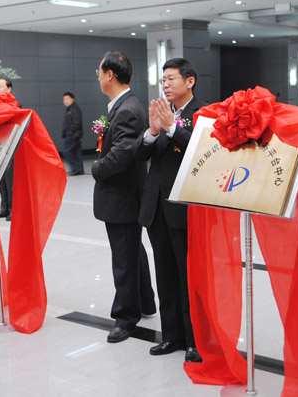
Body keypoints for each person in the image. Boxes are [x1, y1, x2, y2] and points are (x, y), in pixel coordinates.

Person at [134, 58, 206, 362]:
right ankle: (171, 336)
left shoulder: (202, 113)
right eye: (163, 80)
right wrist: (152, 132)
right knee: (164, 274)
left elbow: (200, 151)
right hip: (156, 207)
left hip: (183, 208)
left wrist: (172, 128)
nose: (165, 85)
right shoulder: (163, 113)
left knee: (187, 276)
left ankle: (194, 340)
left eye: (171, 79)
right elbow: (140, 155)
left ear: (190, 81)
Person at [92, 51, 156, 343]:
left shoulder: (127, 108)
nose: (98, 76)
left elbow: (121, 154)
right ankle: (145, 301)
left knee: (124, 258)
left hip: (122, 196)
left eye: (99, 71)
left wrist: (97, 168)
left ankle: (126, 316)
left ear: (110, 75)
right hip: (124, 195)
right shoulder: (123, 105)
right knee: (132, 250)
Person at [0, 77, 16, 221]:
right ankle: (4, 208)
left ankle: (12, 209)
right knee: (0, 180)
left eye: (1, 86)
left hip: (10, 147)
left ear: (9, 88)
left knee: (10, 181)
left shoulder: (14, 105)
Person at [61, 92, 84, 175]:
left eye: (67, 99)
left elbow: (76, 122)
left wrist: (70, 131)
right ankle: (79, 169)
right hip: (74, 134)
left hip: (73, 134)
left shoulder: (74, 109)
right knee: (77, 151)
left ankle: (76, 168)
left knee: (66, 150)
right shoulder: (70, 109)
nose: (65, 101)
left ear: (72, 99)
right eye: (64, 99)